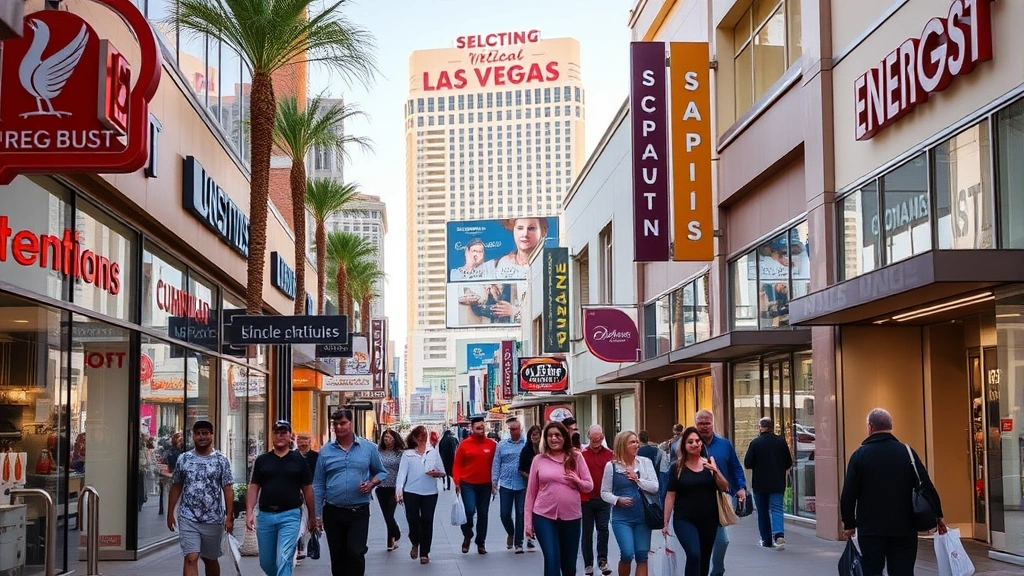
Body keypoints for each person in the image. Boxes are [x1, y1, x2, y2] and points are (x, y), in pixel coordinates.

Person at [841, 408, 946, 576]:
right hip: (904, 528)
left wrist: (849, 523)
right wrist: (938, 515)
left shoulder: (859, 455)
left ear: (871, 427)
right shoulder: (907, 453)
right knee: (903, 571)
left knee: (871, 571)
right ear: (891, 426)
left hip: (871, 529)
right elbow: (926, 485)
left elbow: (848, 493)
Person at [313, 408, 387, 576]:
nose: (339, 427)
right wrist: (317, 515)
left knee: (355, 552)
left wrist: (371, 483)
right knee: (337, 556)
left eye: (343, 423)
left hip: (358, 511)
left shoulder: (368, 448)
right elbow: (318, 484)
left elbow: (381, 472)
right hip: (333, 511)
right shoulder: (325, 451)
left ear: (351, 424)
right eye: (336, 424)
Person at [245, 420, 315, 576]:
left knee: (284, 557)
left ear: (290, 435)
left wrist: (312, 516)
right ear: (272, 435)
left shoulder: (299, 461)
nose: (280, 436)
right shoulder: (262, 460)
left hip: (290, 516)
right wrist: (249, 511)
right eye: (277, 432)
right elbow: (254, 487)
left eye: (284, 432)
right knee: (266, 562)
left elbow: (308, 489)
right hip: (265, 516)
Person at [524, 420, 594, 576]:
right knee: (552, 559)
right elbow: (531, 493)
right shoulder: (539, 460)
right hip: (543, 516)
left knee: (569, 566)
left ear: (564, 437)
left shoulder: (576, 457)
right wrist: (528, 523)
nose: (553, 439)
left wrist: (577, 481)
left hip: (571, 517)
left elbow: (589, 485)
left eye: (557, 435)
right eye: (549, 436)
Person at [166, 420, 233, 576]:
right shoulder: (184, 459)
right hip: (188, 517)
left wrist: (230, 516)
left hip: (213, 519)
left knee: (210, 559)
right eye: (198, 434)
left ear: (211, 435)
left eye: (205, 433)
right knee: (191, 557)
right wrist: (171, 513)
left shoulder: (221, 460)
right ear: (193, 436)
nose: (202, 437)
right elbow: (176, 485)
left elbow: (227, 488)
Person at [662, 426, 729, 576]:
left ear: (702, 443)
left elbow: (724, 487)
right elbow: (670, 495)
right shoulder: (677, 467)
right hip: (684, 519)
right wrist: (665, 522)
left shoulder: (709, 463)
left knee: (704, 558)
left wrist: (715, 471)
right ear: (684, 446)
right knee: (694, 554)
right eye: (690, 441)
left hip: (709, 519)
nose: (695, 444)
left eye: (697, 441)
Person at [694, 410, 746, 576]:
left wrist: (740, 487)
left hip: (720, 498)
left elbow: (735, 467)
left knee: (722, 541)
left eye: (707, 422)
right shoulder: (689, 444)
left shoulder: (724, 444)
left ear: (712, 423)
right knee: (699, 542)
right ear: (695, 424)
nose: (704, 426)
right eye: (700, 423)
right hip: (696, 499)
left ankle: (717, 570)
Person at [602, 431, 659, 576]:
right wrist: (617, 500)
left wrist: (637, 479)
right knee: (627, 554)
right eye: (632, 442)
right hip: (622, 518)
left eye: (636, 442)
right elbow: (604, 492)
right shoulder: (611, 466)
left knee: (642, 556)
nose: (636, 445)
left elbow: (655, 487)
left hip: (643, 517)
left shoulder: (645, 463)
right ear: (622, 445)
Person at [395, 425, 445, 564]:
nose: (424, 438)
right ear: (415, 438)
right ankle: (415, 541)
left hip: (430, 492)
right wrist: (398, 491)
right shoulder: (408, 454)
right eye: (421, 436)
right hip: (411, 492)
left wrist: (437, 473)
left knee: (427, 520)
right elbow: (401, 475)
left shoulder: (433, 452)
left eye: (425, 435)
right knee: (413, 520)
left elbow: (442, 471)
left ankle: (424, 552)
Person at [743, 417, 793, 550]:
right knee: (777, 508)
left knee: (762, 511)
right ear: (772, 427)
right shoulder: (781, 442)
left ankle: (766, 540)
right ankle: (778, 535)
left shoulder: (755, 443)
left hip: (760, 483)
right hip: (777, 482)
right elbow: (789, 462)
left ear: (760, 427)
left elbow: (748, 463)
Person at [452, 415, 497, 554]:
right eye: (477, 428)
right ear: (472, 428)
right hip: (468, 484)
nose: (480, 431)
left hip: (486, 485)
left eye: (482, 427)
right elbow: (457, 465)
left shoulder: (492, 444)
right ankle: (467, 534)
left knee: (483, 514)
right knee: (469, 511)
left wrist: (496, 482)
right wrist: (457, 482)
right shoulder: (464, 444)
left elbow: (496, 465)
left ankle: (480, 542)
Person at [580, 425, 614, 576]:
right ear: (588, 437)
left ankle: (602, 560)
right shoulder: (582, 455)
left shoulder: (610, 455)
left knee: (603, 530)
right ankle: (588, 564)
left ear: (602, 437)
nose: (596, 441)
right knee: (587, 532)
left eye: (598, 438)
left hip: (604, 498)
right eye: (593, 438)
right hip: (586, 499)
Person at [491, 417, 527, 553]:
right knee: (504, 514)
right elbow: (496, 463)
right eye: (511, 429)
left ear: (520, 429)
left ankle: (519, 543)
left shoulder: (526, 445)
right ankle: (510, 532)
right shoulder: (502, 445)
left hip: (521, 484)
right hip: (506, 483)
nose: (513, 432)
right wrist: (494, 481)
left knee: (520, 512)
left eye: (515, 429)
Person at [376, 429, 405, 551]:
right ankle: (393, 537)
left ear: (394, 439)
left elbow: (404, 470)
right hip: (381, 487)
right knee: (386, 515)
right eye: (385, 437)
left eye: (389, 437)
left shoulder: (400, 453)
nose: (386, 439)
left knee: (389, 515)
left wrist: (402, 488)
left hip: (394, 487)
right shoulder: (378, 452)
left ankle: (393, 538)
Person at [295, 432, 319, 561]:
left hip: (311, 494)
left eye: (306, 441)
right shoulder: (292, 456)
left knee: (308, 521)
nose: (303, 444)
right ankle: (298, 548)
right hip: (295, 494)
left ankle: (303, 545)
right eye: (300, 441)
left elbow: (319, 476)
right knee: (298, 521)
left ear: (311, 442)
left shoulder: (316, 457)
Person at [518, 424, 543, 550]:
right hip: (529, 484)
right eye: (532, 434)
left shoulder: (545, 449)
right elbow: (521, 469)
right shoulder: (526, 450)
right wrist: (531, 477)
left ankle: (534, 534)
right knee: (527, 509)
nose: (535, 437)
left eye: (537, 434)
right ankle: (529, 535)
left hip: (544, 485)